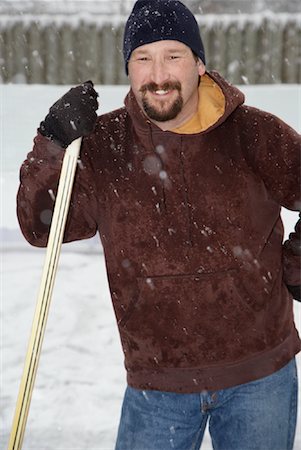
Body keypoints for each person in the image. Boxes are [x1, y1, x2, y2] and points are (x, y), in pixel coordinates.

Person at [16, 0, 301, 449]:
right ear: (128, 69)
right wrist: (52, 146)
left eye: (174, 56)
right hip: (156, 386)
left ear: (200, 64)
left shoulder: (254, 135)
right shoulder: (104, 147)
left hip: (259, 375)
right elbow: (41, 227)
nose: (159, 74)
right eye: (143, 58)